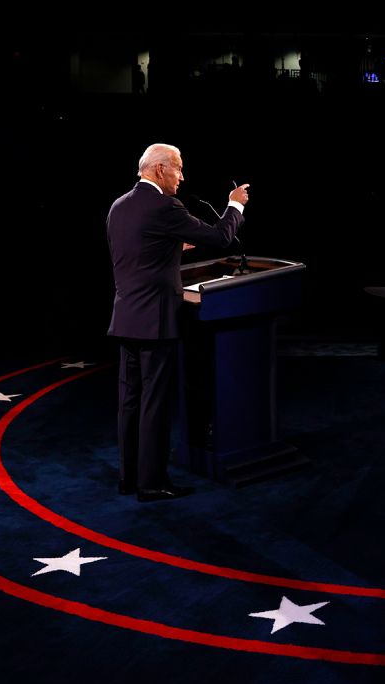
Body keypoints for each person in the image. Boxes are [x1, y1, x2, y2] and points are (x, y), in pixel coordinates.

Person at [107, 143, 250, 502]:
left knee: (129, 402)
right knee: (154, 404)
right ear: (159, 170)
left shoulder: (119, 206)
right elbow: (221, 237)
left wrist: (171, 246)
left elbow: (137, 251)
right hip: (155, 322)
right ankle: (152, 484)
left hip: (126, 318)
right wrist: (234, 204)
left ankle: (129, 477)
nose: (182, 177)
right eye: (178, 169)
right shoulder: (165, 206)